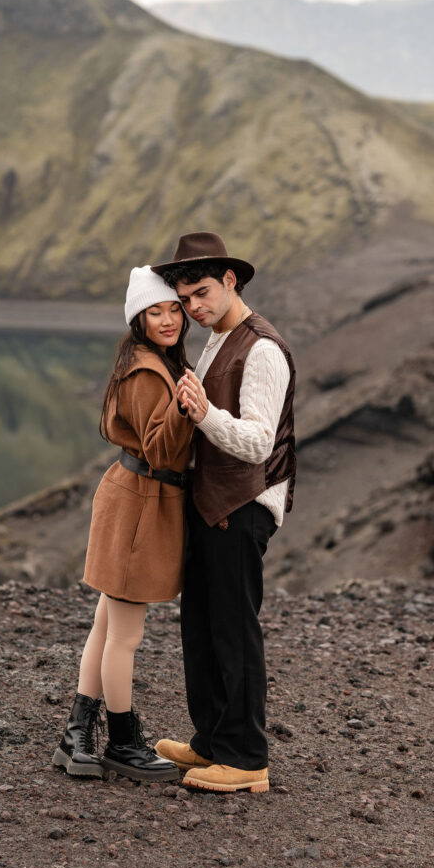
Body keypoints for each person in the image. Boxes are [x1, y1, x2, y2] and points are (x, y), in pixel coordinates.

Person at [151, 232, 296, 793]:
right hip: (214, 504)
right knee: (204, 627)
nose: (194, 308)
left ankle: (246, 759)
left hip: (243, 507)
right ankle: (212, 740)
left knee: (234, 631)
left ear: (232, 281)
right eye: (186, 299)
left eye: (202, 293)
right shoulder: (218, 338)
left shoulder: (261, 347)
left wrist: (204, 413)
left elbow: (259, 443)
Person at [52, 266, 194, 782]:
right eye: (154, 312)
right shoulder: (146, 372)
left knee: (108, 624)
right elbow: (160, 447)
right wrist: (187, 405)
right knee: (125, 635)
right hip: (140, 504)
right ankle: (124, 742)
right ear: (137, 319)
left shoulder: (150, 362)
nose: (167, 319)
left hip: (134, 497)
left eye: (173, 309)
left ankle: (76, 735)